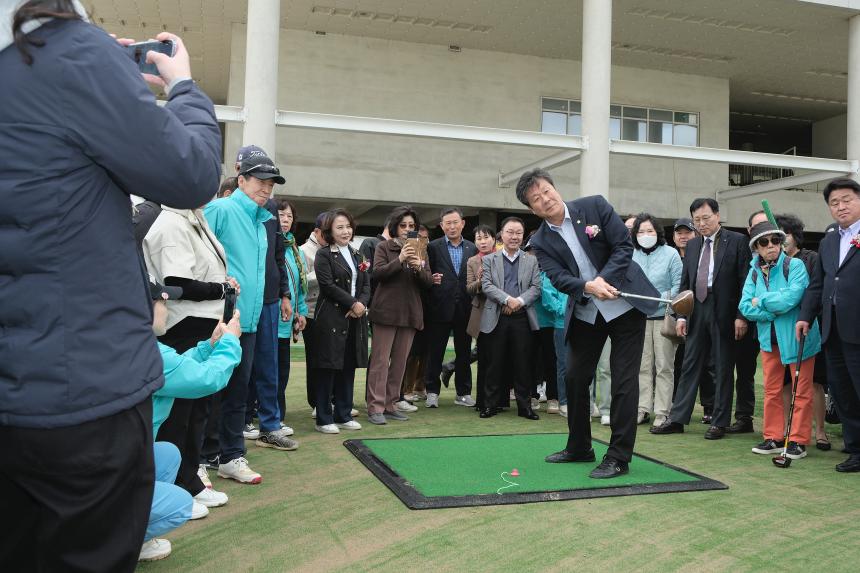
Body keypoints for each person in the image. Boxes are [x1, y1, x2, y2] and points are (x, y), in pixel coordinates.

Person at [0, 3, 221, 568]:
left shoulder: (22, 68)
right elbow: (191, 172)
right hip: (83, 390)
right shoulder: (73, 55)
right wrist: (185, 87)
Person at [518, 169, 659, 479]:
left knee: (623, 381)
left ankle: (619, 456)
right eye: (536, 199)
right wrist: (587, 287)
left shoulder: (594, 206)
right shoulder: (539, 241)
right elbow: (557, 276)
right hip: (586, 310)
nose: (545, 199)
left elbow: (623, 246)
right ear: (532, 209)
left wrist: (603, 280)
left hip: (624, 305)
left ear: (555, 188)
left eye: (546, 191)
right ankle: (580, 446)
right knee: (576, 378)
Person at [143, 191, 237, 510]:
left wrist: (222, 284)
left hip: (201, 322)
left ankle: (188, 480)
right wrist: (221, 288)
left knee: (197, 412)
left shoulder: (193, 216)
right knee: (178, 414)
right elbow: (177, 281)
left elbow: (202, 274)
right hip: (182, 323)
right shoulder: (171, 220)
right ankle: (174, 486)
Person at [204, 151, 293, 484]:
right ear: (241, 180)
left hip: (251, 320)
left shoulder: (264, 218)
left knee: (239, 392)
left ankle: (230, 456)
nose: (266, 189)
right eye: (260, 181)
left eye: (270, 184)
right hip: (220, 319)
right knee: (211, 390)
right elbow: (200, 257)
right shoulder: (221, 209)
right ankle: (200, 458)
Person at [142, 280, 242, 561]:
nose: (167, 307)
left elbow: (178, 369)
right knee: (179, 504)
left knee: (167, 453)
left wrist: (210, 346)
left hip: (116, 454)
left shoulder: (140, 347)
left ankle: (128, 528)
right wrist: (231, 342)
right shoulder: (150, 354)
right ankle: (117, 540)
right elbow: (207, 379)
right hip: (110, 468)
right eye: (163, 302)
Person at [652, 198, 751, 440]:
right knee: (689, 365)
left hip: (725, 310)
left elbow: (745, 281)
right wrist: (682, 315)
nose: (702, 223)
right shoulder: (694, 245)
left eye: (706, 218)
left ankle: (719, 421)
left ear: (717, 215)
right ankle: (677, 418)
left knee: (723, 367)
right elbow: (686, 283)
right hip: (697, 308)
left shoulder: (737, 242)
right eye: (697, 220)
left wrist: (741, 316)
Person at [739, 222, 820, 461]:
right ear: (756, 247)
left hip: (798, 338)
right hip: (768, 339)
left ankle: (797, 440)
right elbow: (744, 306)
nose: (771, 246)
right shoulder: (753, 271)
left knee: (802, 391)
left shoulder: (795, 265)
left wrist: (760, 301)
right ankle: (773, 437)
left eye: (775, 241)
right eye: (764, 243)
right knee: (772, 390)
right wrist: (769, 309)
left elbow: (793, 297)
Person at [798, 178, 860, 472]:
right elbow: (818, 284)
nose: (840, 207)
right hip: (832, 329)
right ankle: (855, 449)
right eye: (834, 203)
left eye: (846, 200)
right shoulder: (829, 240)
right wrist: (804, 317)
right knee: (843, 392)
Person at [366, 207, 433, 425]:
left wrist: (417, 268)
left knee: (400, 363)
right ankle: (375, 406)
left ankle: (390, 404)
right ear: (395, 226)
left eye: (411, 226)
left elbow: (428, 282)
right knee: (380, 361)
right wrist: (401, 259)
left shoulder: (421, 248)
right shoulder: (383, 247)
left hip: (410, 312)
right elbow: (377, 274)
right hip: (386, 311)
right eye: (403, 225)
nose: (407, 229)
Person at [311, 209, 370, 433]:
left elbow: (366, 285)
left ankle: (344, 414)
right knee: (328, 367)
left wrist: (361, 305)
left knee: (348, 365)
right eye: (340, 227)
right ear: (329, 231)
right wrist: (352, 304)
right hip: (331, 317)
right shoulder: (324, 254)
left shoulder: (358, 255)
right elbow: (327, 285)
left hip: (355, 318)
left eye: (348, 226)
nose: (345, 231)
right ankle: (324, 418)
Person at [479, 217, 542, 419]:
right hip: (496, 317)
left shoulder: (531, 260)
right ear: (502, 234)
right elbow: (487, 286)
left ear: (522, 236)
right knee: (494, 363)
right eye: (510, 232)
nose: (514, 236)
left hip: (522, 317)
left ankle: (525, 407)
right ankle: (490, 405)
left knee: (523, 364)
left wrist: (519, 302)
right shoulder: (489, 259)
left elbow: (536, 288)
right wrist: (507, 300)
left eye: (518, 233)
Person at [777, 213, 830, 450]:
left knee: (814, 384)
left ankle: (820, 431)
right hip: (783, 332)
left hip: (809, 329)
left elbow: (814, 291)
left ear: (795, 235)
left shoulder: (811, 258)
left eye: (785, 233)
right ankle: (793, 429)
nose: (781, 239)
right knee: (786, 384)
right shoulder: (774, 262)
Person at [423, 207, 478, 408]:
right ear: (442, 226)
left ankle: (463, 393)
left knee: (464, 352)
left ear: (463, 223)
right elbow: (425, 274)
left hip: (465, 307)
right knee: (435, 352)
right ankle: (432, 392)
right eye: (448, 223)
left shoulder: (472, 248)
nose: (452, 226)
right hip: (439, 307)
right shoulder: (433, 247)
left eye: (456, 222)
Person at [631, 213, 682, 427]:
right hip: (638, 318)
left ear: (658, 232)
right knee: (641, 366)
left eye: (650, 230)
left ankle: (662, 411)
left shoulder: (671, 254)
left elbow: (679, 285)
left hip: (664, 317)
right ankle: (642, 408)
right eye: (641, 231)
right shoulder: (630, 254)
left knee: (664, 366)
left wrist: (661, 299)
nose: (645, 235)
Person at [725, 210, 771, 435]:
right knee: (744, 370)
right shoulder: (743, 252)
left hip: (772, 322)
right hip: (745, 319)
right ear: (749, 231)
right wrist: (741, 316)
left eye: (766, 224)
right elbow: (739, 288)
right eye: (757, 226)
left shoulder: (782, 257)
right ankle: (743, 418)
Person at [275, 199, 308, 430]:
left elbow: (300, 287)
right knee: (269, 372)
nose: (285, 220)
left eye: (289, 216)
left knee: (281, 371)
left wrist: (301, 312)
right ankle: (270, 416)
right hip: (270, 319)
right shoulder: (270, 244)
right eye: (281, 214)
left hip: (287, 321)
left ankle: (277, 416)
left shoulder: (295, 249)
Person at [466, 225, 497, 410]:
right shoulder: (472, 261)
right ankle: (482, 401)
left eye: (486, 237)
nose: (482, 241)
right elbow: (469, 288)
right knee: (484, 358)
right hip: (482, 311)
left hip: (501, 311)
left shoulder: (502, 257)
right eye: (478, 238)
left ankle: (498, 400)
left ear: (493, 239)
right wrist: (479, 280)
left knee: (499, 358)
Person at [301, 212, 328, 415]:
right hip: (311, 312)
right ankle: (317, 402)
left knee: (331, 359)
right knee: (316, 360)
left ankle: (329, 399)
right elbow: (302, 282)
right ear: (317, 231)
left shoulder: (335, 249)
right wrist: (325, 270)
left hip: (332, 312)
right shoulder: (304, 250)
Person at [403, 224, 432, 402]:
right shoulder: (406, 252)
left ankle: (420, 385)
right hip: (409, 307)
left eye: (425, 238)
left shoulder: (429, 253)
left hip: (428, 308)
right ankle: (406, 389)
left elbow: (428, 279)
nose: (421, 241)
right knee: (411, 352)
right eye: (418, 237)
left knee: (425, 350)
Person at [536, 267, 569, 415]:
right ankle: (563, 401)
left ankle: (584, 401)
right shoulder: (551, 272)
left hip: (580, 321)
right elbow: (548, 296)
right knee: (562, 363)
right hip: (561, 322)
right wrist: (563, 310)